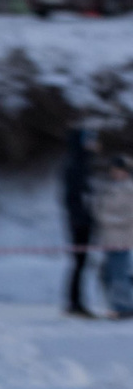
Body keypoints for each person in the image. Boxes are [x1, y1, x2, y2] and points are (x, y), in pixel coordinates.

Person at [64, 127, 96, 318]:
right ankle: (75, 303)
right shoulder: (75, 164)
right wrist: (82, 217)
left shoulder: (82, 162)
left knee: (81, 263)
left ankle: (76, 302)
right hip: (79, 223)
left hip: (82, 220)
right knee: (79, 262)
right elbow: (74, 197)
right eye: (89, 140)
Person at [97, 155, 133, 318]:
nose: (116, 173)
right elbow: (98, 209)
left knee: (120, 274)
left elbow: (128, 215)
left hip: (122, 240)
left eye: (119, 170)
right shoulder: (109, 189)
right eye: (114, 170)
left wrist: (108, 219)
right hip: (109, 239)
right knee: (108, 275)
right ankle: (117, 305)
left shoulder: (129, 190)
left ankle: (124, 307)